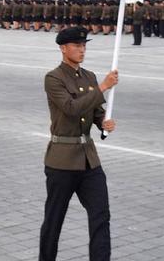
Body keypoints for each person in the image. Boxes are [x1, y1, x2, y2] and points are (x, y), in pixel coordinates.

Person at [39, 26, 118, 261]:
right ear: (64, 49)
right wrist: (103, 87)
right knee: (54, 220)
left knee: (100, 215)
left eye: (84, 45)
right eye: (77, 46)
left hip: (88, 160)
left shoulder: (89, 76)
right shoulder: (53, 78)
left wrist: (104, 123)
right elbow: (71, 109)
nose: (82, 50)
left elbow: (94, 112)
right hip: (62, 161)